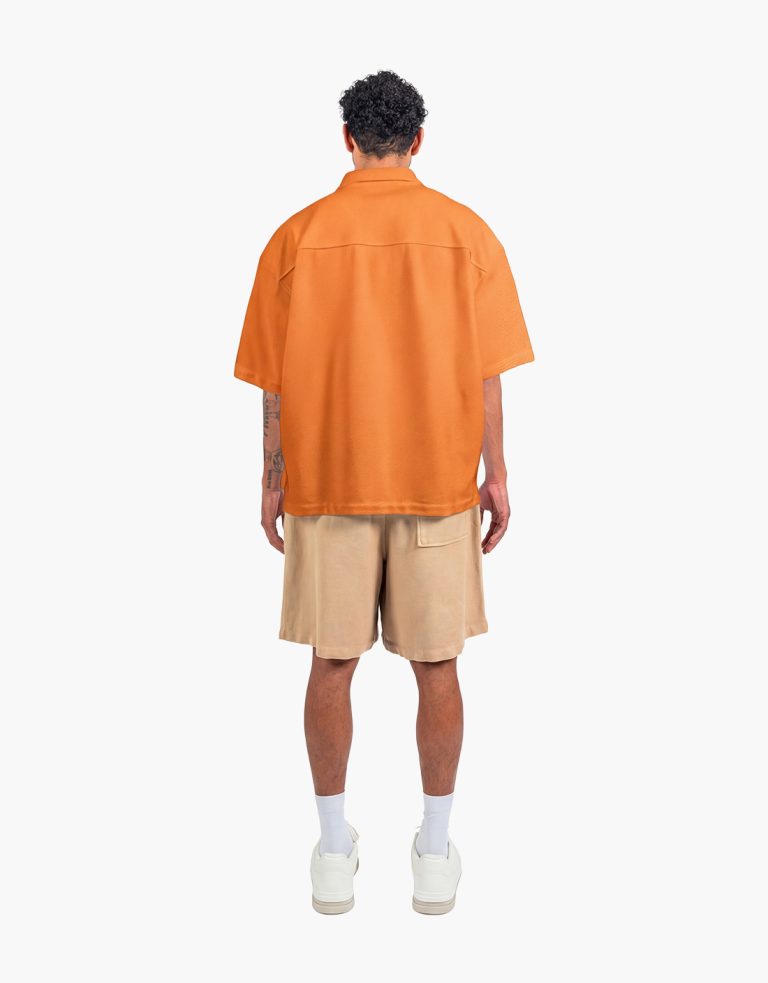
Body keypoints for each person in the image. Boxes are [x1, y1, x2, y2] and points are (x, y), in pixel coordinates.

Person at [234, 70, 534, 915]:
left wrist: (272, 477)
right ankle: (434, 855)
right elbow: (488, 374)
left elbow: (273, 381)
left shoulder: (296, 237)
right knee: (437, 666)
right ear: (418, 140)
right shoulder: (467, 233)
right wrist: (496, 473)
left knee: (332, 662)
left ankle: (333, 854)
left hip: (328, 483)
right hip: (438, 484)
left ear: (348, 139)